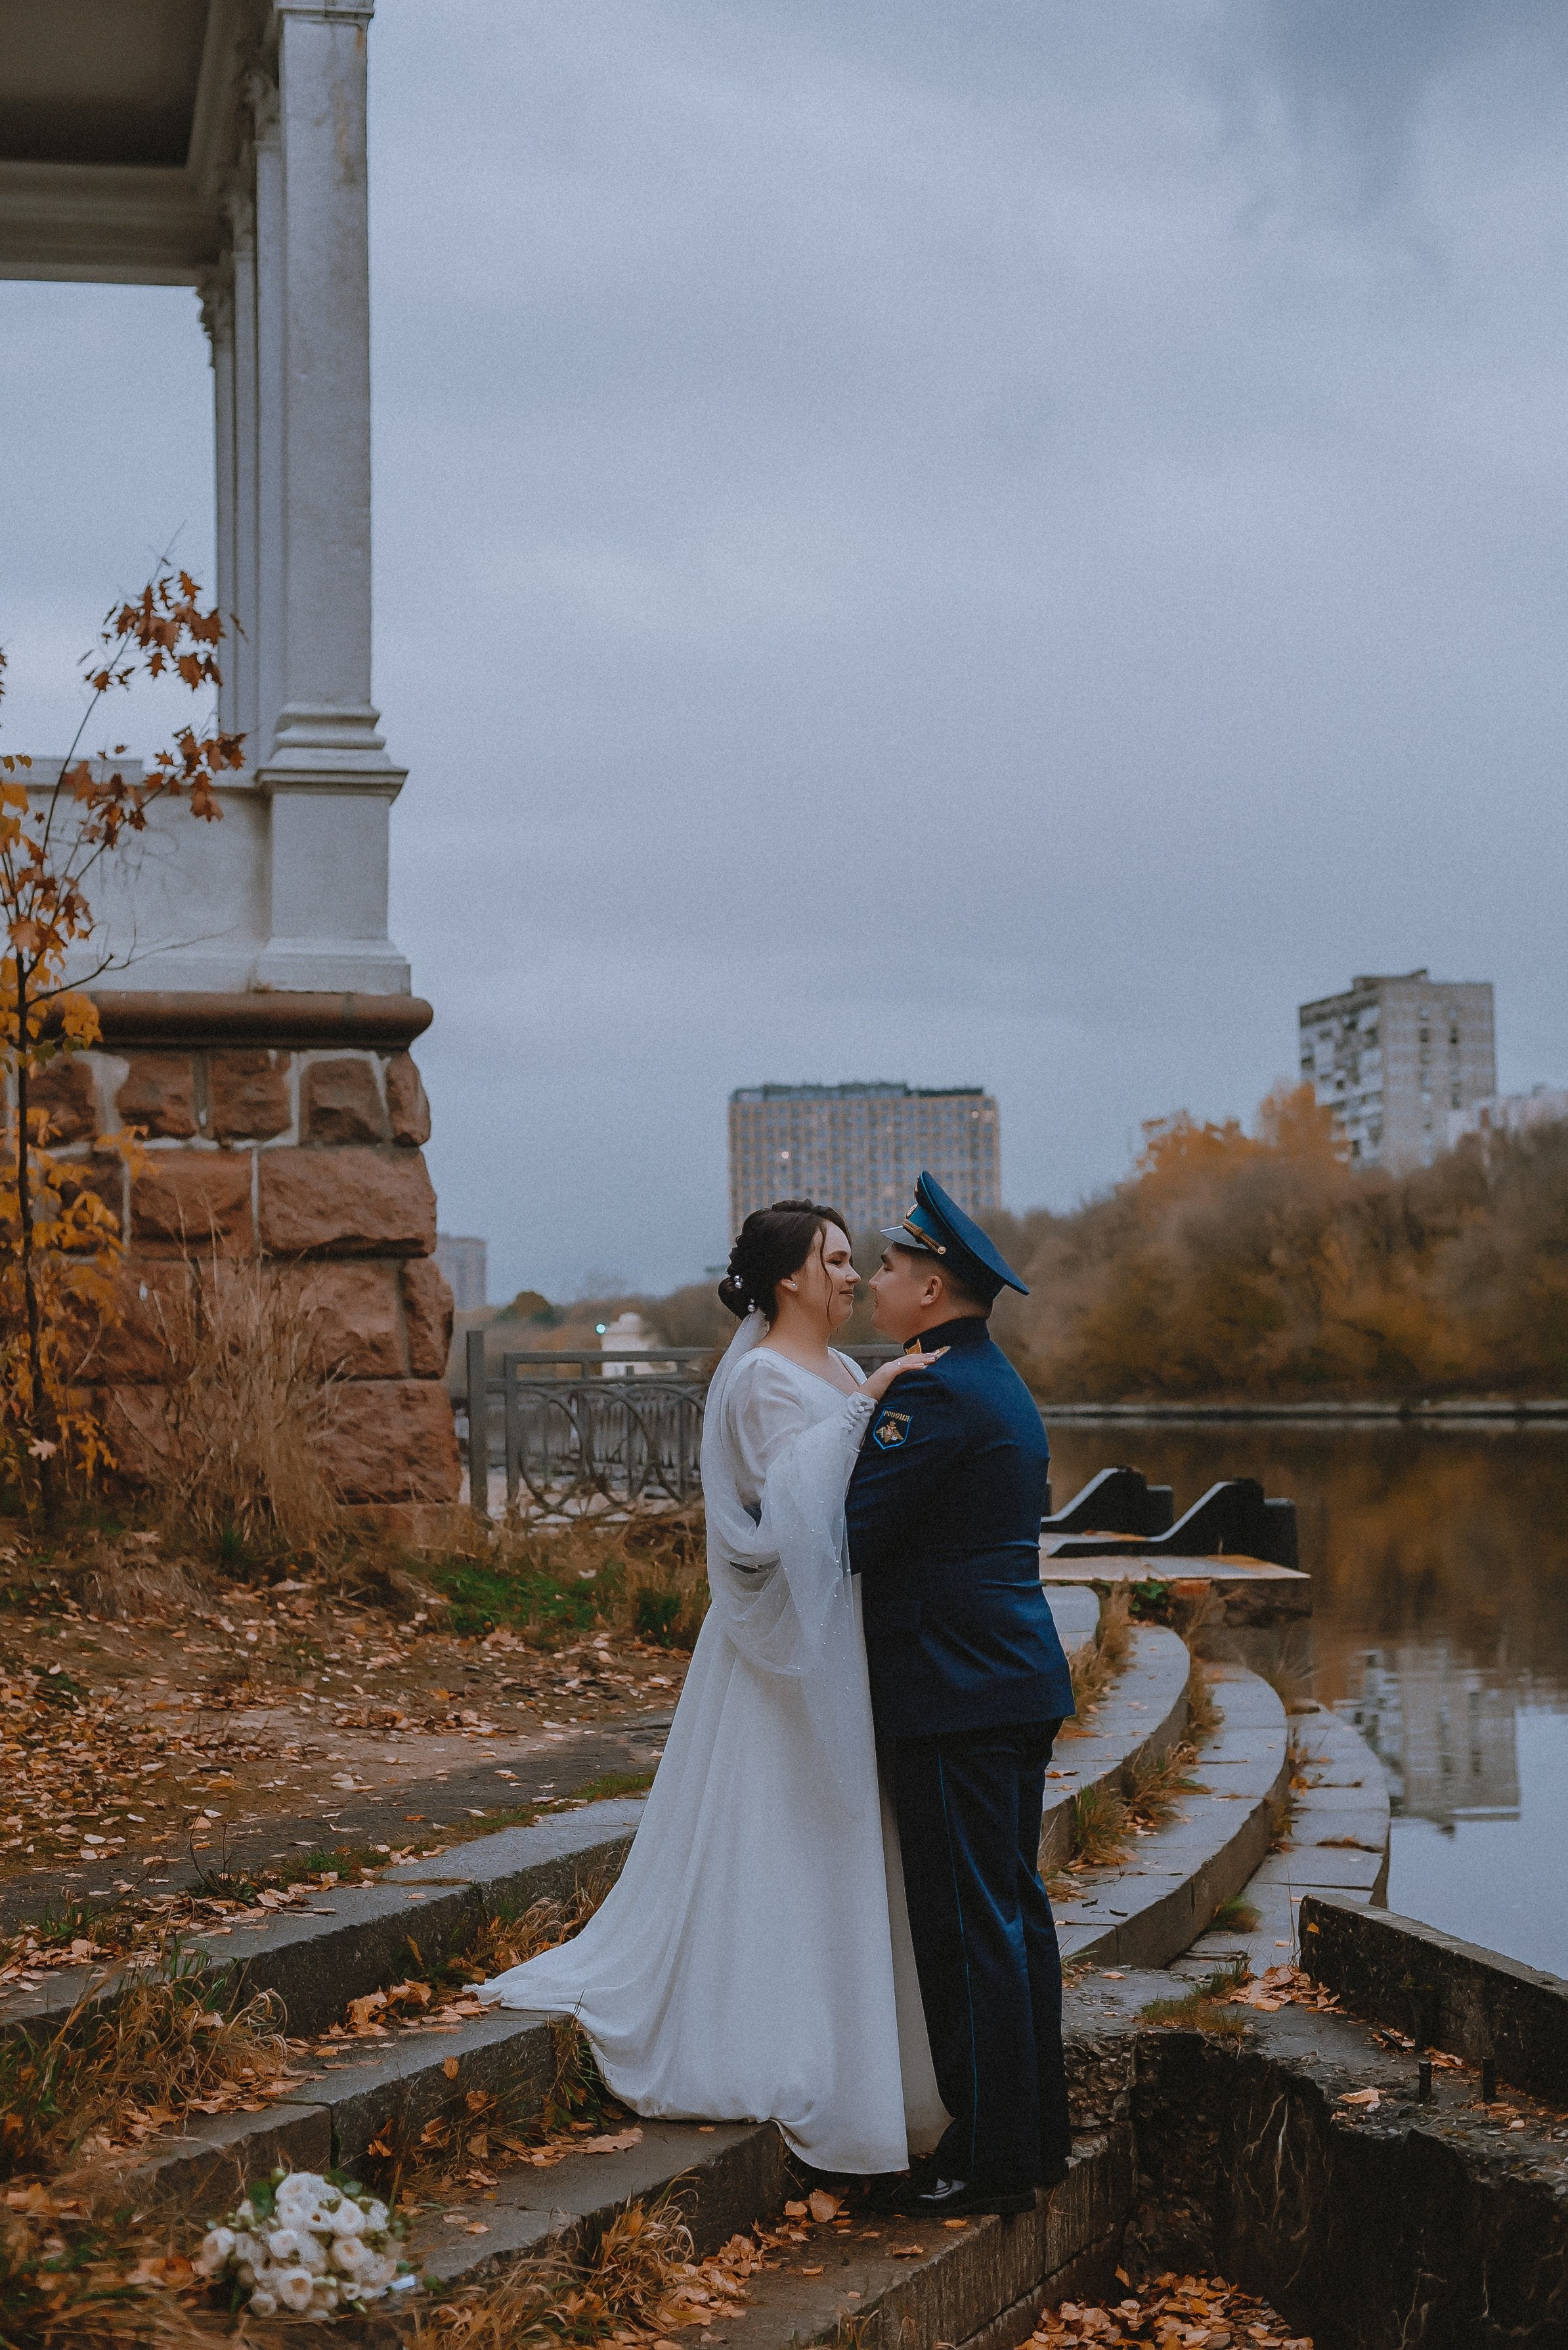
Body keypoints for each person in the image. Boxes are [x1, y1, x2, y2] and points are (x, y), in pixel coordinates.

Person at [476, 1199, 947, 2175]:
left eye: (857, 1260)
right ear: (791, 1278)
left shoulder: (847, 1368)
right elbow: (790, 1511)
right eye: (840, 1259)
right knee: (781, 1819)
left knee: (840, 1824)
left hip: (843, 1635)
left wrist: (873, 1398)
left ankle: (855, 2029)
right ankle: (771, 2032)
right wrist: (872, 1406)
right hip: (782, 1652)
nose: (857, 1275)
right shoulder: (765, 1380)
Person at [846, 1172, 1076, 2219]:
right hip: (1007, 1675)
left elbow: (853, 1530)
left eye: (889, 1267)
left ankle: (984, 2154)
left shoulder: (934, 1392)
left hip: (954, 1685)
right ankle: (1031, 2136)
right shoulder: (999, 1380)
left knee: (968, 1922)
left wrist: (857, 1412)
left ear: (932, 1286)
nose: (877, 1280)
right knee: (1013, 1912)